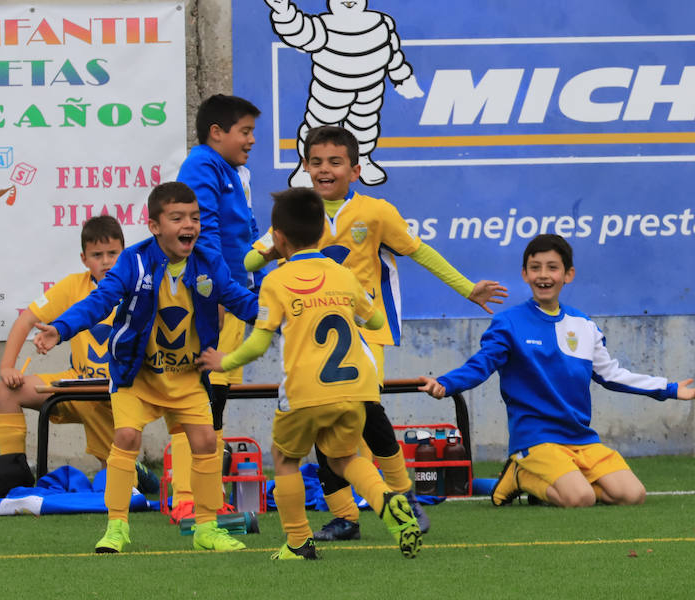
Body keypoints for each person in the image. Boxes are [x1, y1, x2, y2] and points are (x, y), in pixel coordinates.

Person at [245, 125, 507, 540]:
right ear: (305, 168)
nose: (324, 170)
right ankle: (345, 517)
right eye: (316, 162)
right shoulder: (300, 214)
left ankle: (407, 498)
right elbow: (250, 260)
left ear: (355, 168)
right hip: (310, 339)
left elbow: (420, 252)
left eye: (335, 161)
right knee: (320, 424)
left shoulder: (376, 212)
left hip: (367, 332)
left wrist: (467, 287)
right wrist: (266, 253)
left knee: (368, 413)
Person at [33, 182, 258, 553]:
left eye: (195, 217)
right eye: (178, 218)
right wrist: (60, 328)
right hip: (136, 375)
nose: (189, 225)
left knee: (205, 442)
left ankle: (206, 528)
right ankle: (116, 528)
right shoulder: (134, 262)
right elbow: (99, 301)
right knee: (126, 438)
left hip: (186, 376)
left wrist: (282, 316)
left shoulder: (208, 262)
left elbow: (239, 299)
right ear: (154, 226)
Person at [200, 187, 422, 560]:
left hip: (305, 391)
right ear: (322, 233)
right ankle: (389, 502)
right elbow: (378, 319)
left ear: (279, 238)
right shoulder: (342, 275)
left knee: (285, 458)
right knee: (343, 459)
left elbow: (257, 344)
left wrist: (224, 361)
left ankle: (298, 541)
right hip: (356, 390)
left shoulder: (275, 281)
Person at [418, 234, 695, 508]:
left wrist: (669, 389)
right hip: (535, 439)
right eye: (535, 268)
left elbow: (612, 374)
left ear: (568, 274)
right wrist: (446, 384)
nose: (543, 275)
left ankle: (556, 478)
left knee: (633, 495)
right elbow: (481, 364)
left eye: (552, 268)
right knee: (579, 498)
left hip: (579, 437)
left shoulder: (583, 325)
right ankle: (520, 473)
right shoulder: (509, 323)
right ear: (524, 274)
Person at [0, 215, 157, 490]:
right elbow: (25, 321)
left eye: (113, 253)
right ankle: (11, 478)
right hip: (77, 384)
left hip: (121, 393)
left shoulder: (141, 287)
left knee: (116, 481)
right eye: (97, 255)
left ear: (125, 253)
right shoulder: (73, 286)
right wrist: (7, 367)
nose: (105, 261)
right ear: (84, 259)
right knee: (5, 391)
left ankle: (136, 471)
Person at [169, 94, 263, 522]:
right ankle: (187, 496)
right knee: (197, 398)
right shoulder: (202, 165)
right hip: (215, 298)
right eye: (245, 131)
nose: (252, 140)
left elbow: (246, 234)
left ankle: (208, 495)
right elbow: (200, 231)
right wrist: (215, 291)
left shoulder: (234, 171)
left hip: (234, 293)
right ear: (217, 132)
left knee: (215, 399)